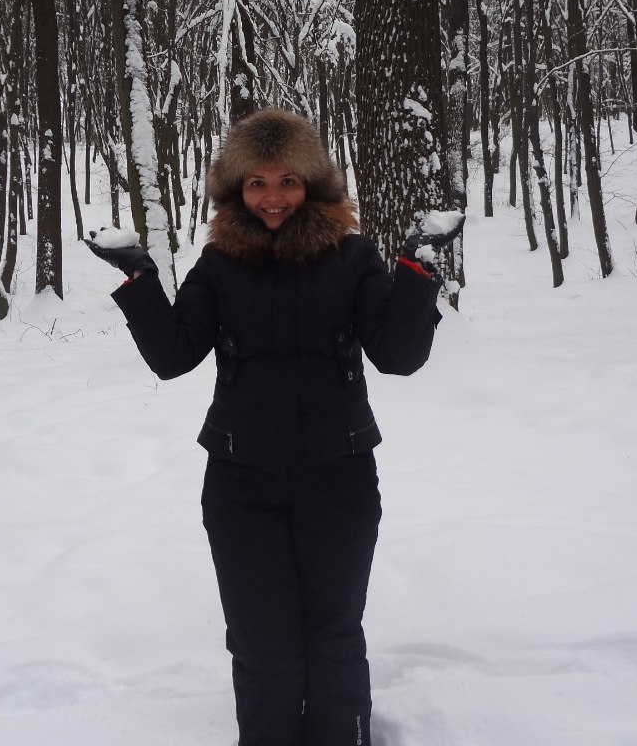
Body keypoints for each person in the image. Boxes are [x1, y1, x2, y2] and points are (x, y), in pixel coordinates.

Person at [86, 109, 461, 746]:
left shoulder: (352, 257)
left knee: (334, 633)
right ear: (238, 189)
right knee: (261, 641)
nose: (273, 197)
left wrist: (417, 269)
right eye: (257, 183)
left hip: (339, 478)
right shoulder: (220, 262)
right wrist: (140, 276)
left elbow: (398, 356)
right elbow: (174, 356)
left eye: (287, 180)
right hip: (241, 483)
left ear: (311, 183)